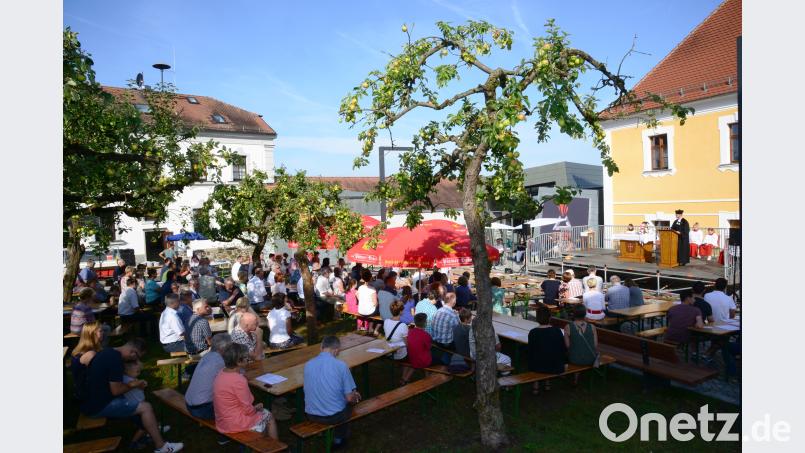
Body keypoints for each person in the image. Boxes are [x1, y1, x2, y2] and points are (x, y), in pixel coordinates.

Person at [81, 338, 184, 453]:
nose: (136, 360)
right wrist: (133, 385)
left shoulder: (108, 351)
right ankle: (162, 446)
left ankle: (150, 429)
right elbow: (116, 390)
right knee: (146, 407)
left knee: (135, 401)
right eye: (137, 357)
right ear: (132, 352)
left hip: (91, 401)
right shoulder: (115, 360)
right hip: (98, 406)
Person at [303, 336, 361, 450]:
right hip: (334, 416)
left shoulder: (308, 365)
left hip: (311, 415)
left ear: (321, 347)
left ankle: (323, 433)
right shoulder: (341, 365)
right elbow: (349, 398)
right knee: (350, 404)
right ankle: (339, 439)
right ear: (336, 350)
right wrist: (356, 396)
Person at [214, 343, 278, 439]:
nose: (248, 360)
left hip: (222, 421)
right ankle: (273, 447)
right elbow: (248, 410)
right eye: (246, 358)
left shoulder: (221, 373)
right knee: (269, 415)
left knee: (262, 413)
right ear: (239, 362)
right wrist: (256, 408)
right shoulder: (239, 380)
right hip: (235, 423)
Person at [185, 333, 232, 421]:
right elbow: (236, 376)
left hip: (189, 404)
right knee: (234, 403)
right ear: (223, 349)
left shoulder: (207, 356)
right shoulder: (220, 361)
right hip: (202, 409)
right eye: (230, 347)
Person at [527, 306, 567, 394]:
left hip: (538, 366)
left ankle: (536, 385)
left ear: (537, 318)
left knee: (538, 356)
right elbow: (562, 349)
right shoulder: (557, 331)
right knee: (548, 353)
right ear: (550, 317)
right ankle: (547, 383)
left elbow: (531, 351)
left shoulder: (533, 332)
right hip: (556, 365)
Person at [564, 304, 599, 385]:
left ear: (573, 313)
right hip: (590, 358)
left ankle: (573, 378)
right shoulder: (592, 327)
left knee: (568, 353)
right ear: (585, 314)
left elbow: (568, 346)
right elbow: (595, 345)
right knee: (580, 351)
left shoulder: (568, 327)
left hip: (574, 359)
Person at [71, 321, 103, 402]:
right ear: (92, 334)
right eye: (100, 331)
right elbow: (101, 377)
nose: (103, 332)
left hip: (82, 391)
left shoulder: (82, 350)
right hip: (88, 396)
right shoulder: (91, 354)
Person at [383, 301, 413, 385]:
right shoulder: (403, 325)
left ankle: (403, 376)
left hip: (389, 352)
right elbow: (406, 344)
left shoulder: (386, 321)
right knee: (413, 359)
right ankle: (404, 378)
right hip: (399, 354)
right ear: (400, 311)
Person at [357, 268, 380, 334]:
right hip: (369, 312)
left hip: (361, 310)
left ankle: (366, 328)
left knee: (372, 311)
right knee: (379, 311)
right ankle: (372, 329)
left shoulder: (360, 287)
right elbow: (375, 303)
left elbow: (358, 297)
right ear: (370, 278)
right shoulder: (372, 289)